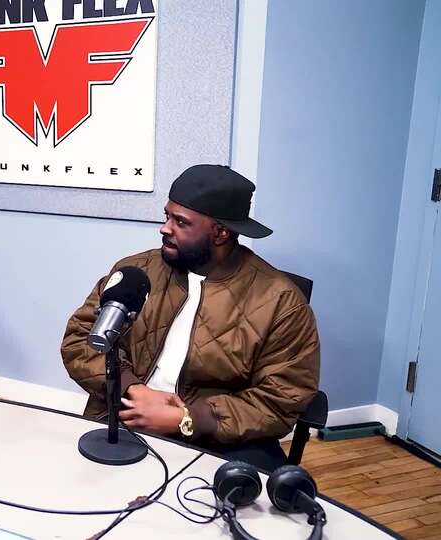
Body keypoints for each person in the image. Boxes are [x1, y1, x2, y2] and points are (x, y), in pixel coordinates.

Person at [61, 164, 320, 471]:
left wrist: (186, 418)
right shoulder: (135, 271)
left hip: (220, 435)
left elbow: (280, 398)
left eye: (181, 222)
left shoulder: (280, 301)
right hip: (124, 413)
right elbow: (81, 339)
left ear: (220, 233)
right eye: (167, 216)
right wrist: (133, 389)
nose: (165, 228)